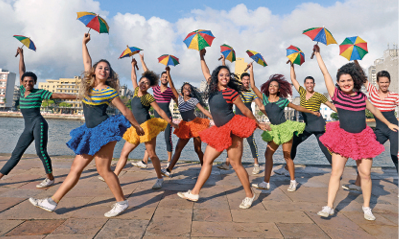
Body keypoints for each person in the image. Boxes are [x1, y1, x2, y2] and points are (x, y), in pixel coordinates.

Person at [29, 33, 144, 217]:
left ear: (109, 74)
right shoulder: (88, 87)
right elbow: (87, 62)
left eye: (107, 69)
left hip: (105, 131)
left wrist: (137, 126)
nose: (103, 70)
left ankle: (122, 202)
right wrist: (83, 43)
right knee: (76, 168)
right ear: (94, 71)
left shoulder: (109, 91)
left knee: (103, 170)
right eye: (101, 67)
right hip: (90, 131)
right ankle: (51, 202)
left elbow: (125, 111)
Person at [313, 45, 398, 220]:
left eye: (348, 80)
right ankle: (329, 206)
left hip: (363, 138)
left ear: (354, 81)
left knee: (366, 174)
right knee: (336, 172)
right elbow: (325, 74)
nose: (346, 83)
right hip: (342, 137)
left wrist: (389, 123)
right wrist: (317, 55)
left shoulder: (361, 97)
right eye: (342, 81)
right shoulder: (336, 94)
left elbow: (375, 110)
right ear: (338, 83)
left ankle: (366, 207)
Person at [177, 49, 270, 209]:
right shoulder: (212, 88)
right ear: (216, 77)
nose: (225, 77)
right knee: (207, 159)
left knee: (236, 164)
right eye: (222, 75)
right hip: (220, 131)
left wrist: (258, 123)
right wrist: (201, 56)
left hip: (233, 129)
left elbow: (246, 111)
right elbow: (205, 70)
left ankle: (249, 195)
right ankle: (195, 192)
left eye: (227, 75)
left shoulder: (231, 92)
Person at [0, 47, 78, 188]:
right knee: (16, 153)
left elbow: (59, 95)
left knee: (40, 151)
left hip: (39, 124)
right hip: (27, 128)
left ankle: (50, 178)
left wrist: (79, 96)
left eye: (31, 81)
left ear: (34, 82)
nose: (28, 83)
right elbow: (22, 70)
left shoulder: (39, 92)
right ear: (23, 82)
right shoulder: (23, 90)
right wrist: (21, 55)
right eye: (25, 81)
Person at [248, 63, 321, 192]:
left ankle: (293, 181)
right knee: (267, 154)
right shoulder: (264, 99)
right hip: (274, 130)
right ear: (268, 87)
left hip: (285, 129)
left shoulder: (282, 101)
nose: (272, 87)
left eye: (275, 86)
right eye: (271, 85)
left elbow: (298, 108)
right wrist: (251, 70)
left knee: (287, 156)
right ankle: (266, 182)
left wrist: (313, 112)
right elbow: (253, 86)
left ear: (278, 89)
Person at [110, 57, 178, 190]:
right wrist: (133, 65)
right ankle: (114, 176)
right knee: (124, 153)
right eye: (143, 81)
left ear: (149, 86)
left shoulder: (149, 97)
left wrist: (171, 122)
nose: (143, 84)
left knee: (151, 154)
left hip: (146, 127)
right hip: (134, 128)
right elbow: (133, 77)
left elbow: (159, 110)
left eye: (147, 83)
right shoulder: (135, 90)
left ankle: (159, 178)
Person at [274, 63, 337, 176]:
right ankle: (287, 168)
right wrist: (292, 64)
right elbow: (293, 79)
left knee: (324, 148)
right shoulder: (302, 92)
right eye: (307, 83)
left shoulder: (319, 96)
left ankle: (336, 170)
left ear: (314, 84)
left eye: (311, 83)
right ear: (305, 84)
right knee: (293, 142)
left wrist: (345, 112)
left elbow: (332, 106)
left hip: (319, 125)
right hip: (307, 126)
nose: (309, 85)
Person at [342, 69, 399, 191]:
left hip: (393, 128)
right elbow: (362, 76)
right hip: (379, 130)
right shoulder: (372, 92)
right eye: (382, 82)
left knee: (395, 155)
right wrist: (356, 62)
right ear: (377, 82)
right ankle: (358, 185)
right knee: (365, 154)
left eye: (387, 82)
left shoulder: (395, 96)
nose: (384, 85)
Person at [217, 55, 265, 175]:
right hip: (235, 120)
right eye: (244, 80)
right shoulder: (236, 91)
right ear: (241, 81)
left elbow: (260, 105)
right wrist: (223, 61)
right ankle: (227, 164)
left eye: (248, 80)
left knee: (250, 141)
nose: (246, 82)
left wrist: (251, 70)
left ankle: (256, 164)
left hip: (248, 121)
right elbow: (225, 81)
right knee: (230, 141)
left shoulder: (252, 93)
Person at [161, 67, 212, 177]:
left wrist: (213, 118)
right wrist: (168, 73)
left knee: (197, 149)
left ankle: (205, 168)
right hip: (185, 126)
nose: (187, 89)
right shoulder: (178, 98)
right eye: (185, 88)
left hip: (195, 124)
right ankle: (168, 170)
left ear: (191, 90)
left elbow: (203, 110)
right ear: (182, 90)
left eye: (189, 88)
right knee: (178, 148)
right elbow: (172, 86)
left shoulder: (194, 100)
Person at [132, 54, 176, 169]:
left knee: (167, 139)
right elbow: (147, 73)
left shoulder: (170, 91)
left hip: (166, 117)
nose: (165, 79)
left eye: (167, 77)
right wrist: (142, 60)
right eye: (163, 77)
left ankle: (169, 161)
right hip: (156, 118)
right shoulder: (155, 88)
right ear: (160, 79)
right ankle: (144, 161)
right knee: (149, 139)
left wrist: (169, 73)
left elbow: (177, 98)